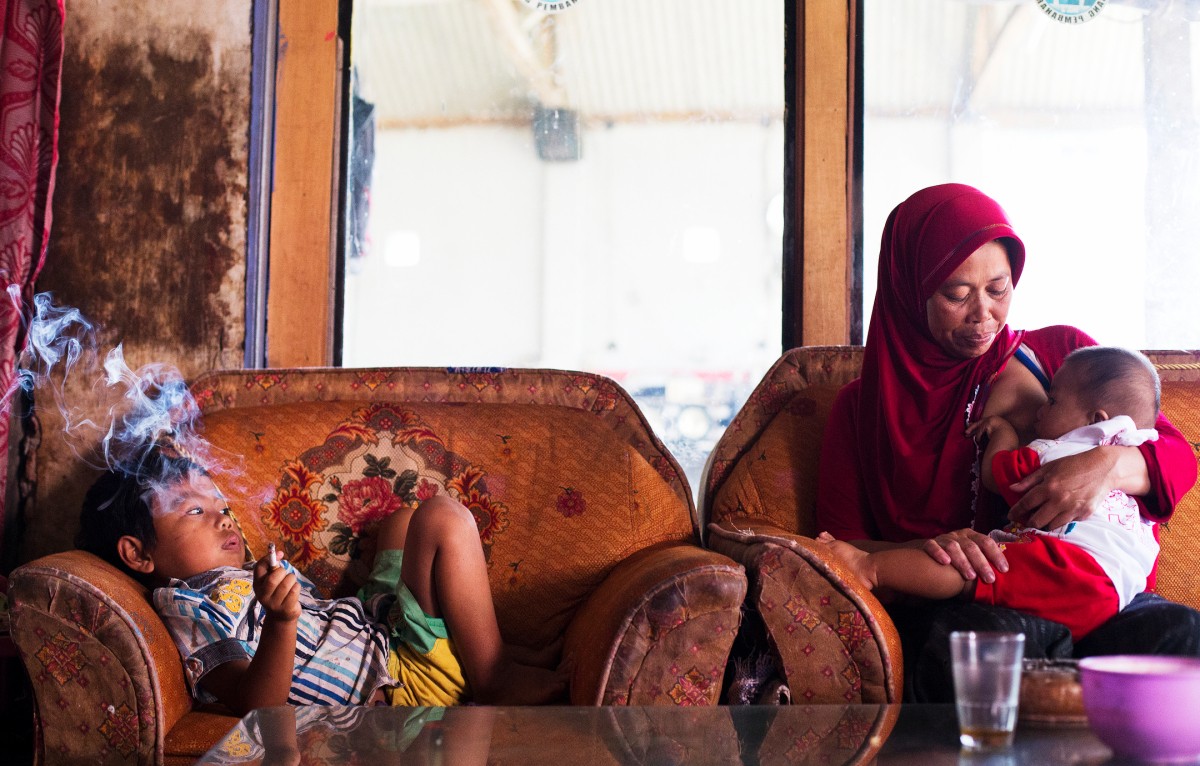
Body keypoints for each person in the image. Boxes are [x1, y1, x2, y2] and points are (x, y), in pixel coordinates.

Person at [814, 182, 1200, 702]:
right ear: (909, 290)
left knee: (1182, 635)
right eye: (957, 295)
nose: (984, 315)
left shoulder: (1063, 357)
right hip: (977, 605)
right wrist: (935, 550)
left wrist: (1105, 465)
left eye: (998, 289)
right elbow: (839, 545)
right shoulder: (860, 411)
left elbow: (1176, 458)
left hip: (1093, 592)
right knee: (964, 650)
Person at [75, 444, 567, 714]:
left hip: (375, 627)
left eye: (221, 506)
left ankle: (488, 650)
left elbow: (327, 618)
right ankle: (493, 676)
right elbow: (257, 704)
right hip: (402, 676)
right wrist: (281, 620)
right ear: (138, 553)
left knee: (402, 522)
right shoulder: (187, 608)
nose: (224, 518)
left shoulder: (246, 572)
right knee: (443, 518)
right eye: (194, 511)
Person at [819, 345, 1163, 641]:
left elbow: (997, 475)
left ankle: (870, 568)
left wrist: (1003, 432)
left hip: (1065, 568)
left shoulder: (1055, 454)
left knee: (966, 570)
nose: (1041, 407)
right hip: (1115, 594)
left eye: (1052, 401)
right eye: (956, 295)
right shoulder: (1142, 453)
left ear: (1094, 420)